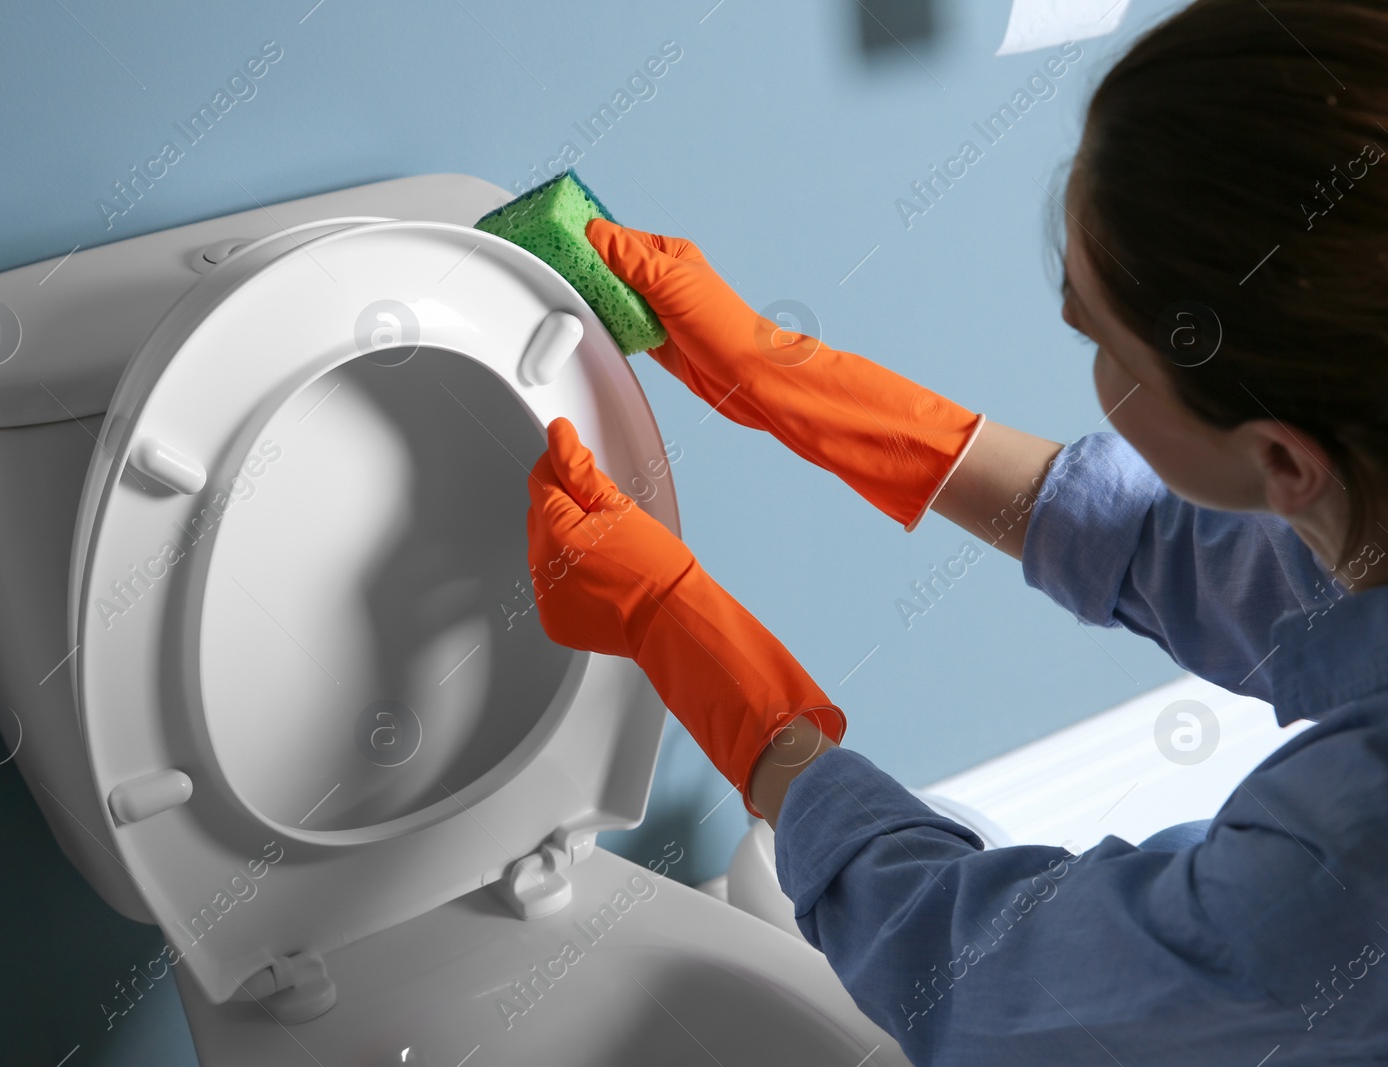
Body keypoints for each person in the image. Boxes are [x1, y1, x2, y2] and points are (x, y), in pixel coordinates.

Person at [523, 0, 1388, 1062]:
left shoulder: (1340, 876)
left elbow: (984, 974)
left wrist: (689, 645)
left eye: (1097, 337)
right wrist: (775, 373)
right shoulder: (1357, 492)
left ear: (1285, 459)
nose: (1081, 351)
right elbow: (1217, 560)